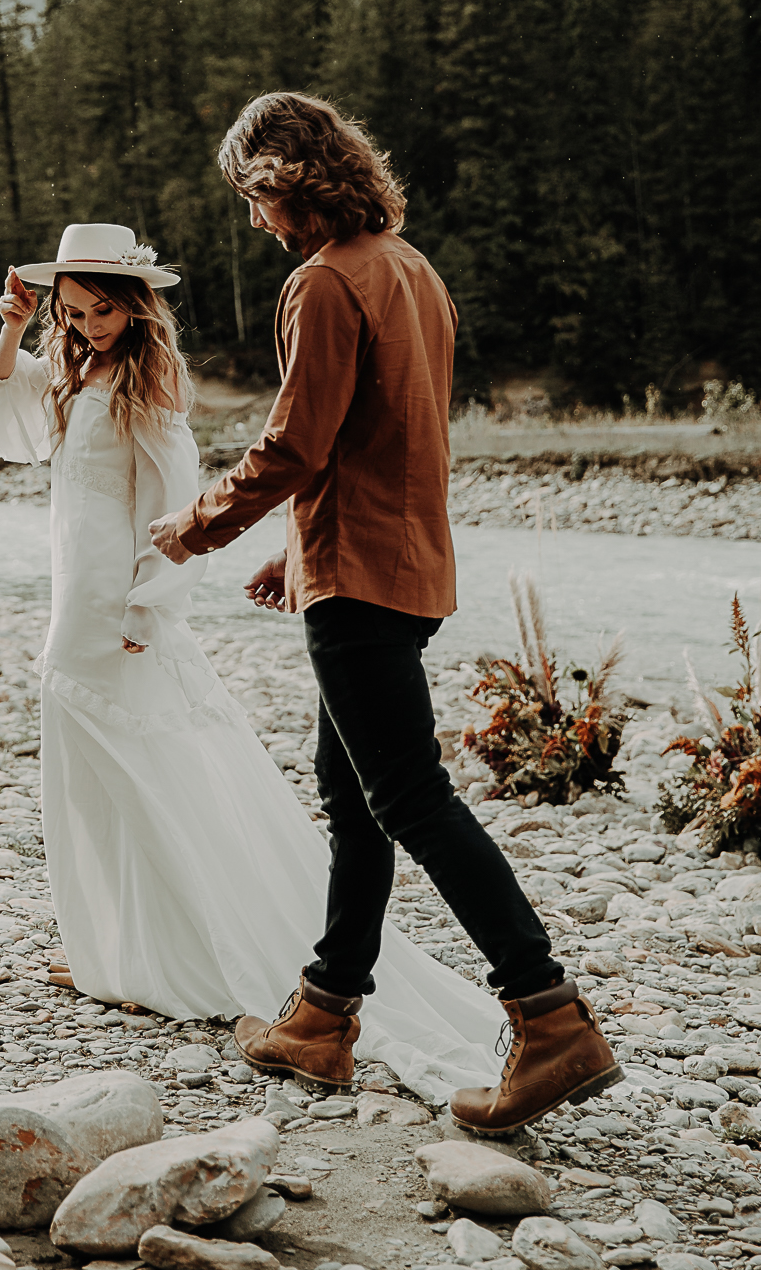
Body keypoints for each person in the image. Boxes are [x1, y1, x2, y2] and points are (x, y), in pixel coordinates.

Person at [148, 93, 621, 1133]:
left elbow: (292, 443)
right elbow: (383, 434)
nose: (254, 220)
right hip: (400, 563)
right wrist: (293, 543)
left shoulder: (322, 280)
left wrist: (198, 525)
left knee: (406, 797)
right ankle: (323, 1015)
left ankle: (548, 1015)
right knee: (353, 790)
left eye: (252, 197)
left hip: (358, 577)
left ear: (282, 180)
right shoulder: (409, 267)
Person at [0, 219, 507, 1106]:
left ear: (135, 306)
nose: (90, 324)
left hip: (121, 591)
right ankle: (116, 947)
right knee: (89, 765)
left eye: (103, 310)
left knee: (151, 765)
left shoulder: (152, 376)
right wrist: (10, 326)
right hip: (74, 580)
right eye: (73, 311)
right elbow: (11, 421)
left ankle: (196, 951)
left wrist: (150, 601)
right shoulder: (68, 368)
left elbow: (176, 498)